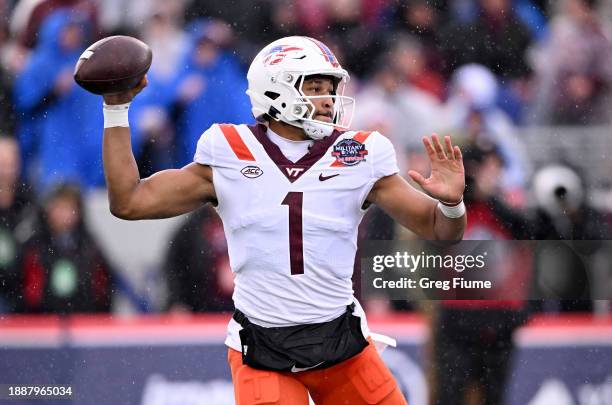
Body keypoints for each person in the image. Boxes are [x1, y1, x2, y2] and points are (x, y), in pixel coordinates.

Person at [100, 36, 466, 405]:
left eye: (331, 88)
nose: (328, 99)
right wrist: (116, 109)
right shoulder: (229, 150)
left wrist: (452, 205)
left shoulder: (360, 153)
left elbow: (439, 229)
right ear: (275, 88)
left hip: (342, 343)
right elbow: (131, 201)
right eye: (315, 87)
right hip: (263, 349)